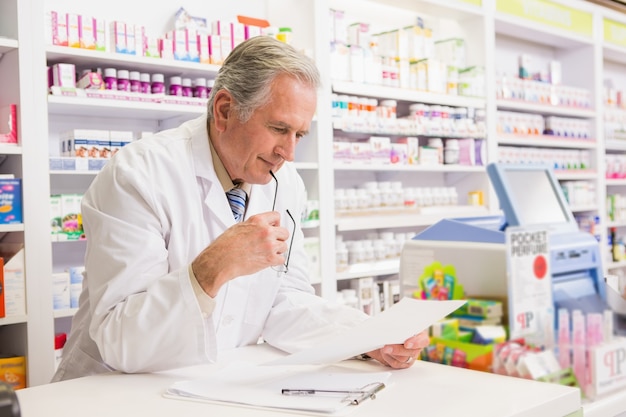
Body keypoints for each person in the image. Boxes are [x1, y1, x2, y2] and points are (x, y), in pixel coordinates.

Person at [52, 36, 429, 382]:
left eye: (299, 134)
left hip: (212, 383)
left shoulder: (287, 183)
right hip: (110, 390)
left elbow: (285, 301)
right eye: (279, 128)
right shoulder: (139, 174)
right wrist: (210, 269)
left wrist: (368, 338)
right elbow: (121, 340)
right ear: (225, 110)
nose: (289, 152)